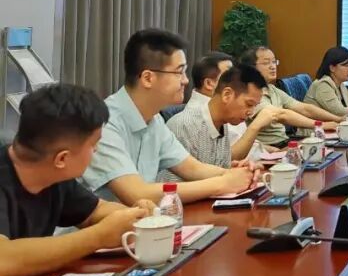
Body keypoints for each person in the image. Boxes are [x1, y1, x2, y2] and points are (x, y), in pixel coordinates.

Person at [80, 29, 260, 204]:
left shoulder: (154, 120)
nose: (185, 80)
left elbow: (192, 168)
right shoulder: (104, 122)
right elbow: (137, 194)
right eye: (179, 72)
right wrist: (221, 184)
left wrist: (234, 173)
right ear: (148, 78)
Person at [0, 84, 156, 276]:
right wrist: (98, 237)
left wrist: (134, 215)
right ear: (62, 159)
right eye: (93, 144)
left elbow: (95, 211)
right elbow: (3, 260)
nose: (96, 150)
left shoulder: (53, 175)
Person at [168, 64, 283, 168]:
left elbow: (219, 169)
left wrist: (238, 170)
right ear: (227, 95)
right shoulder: (185, 125)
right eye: (249, 104)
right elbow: (173, 183)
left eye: (254, 106)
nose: (251, 112)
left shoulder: (222, 124)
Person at [239, 46, 340, 147]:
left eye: (274, 62)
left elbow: (304, 108)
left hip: (285, 141)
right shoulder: (250, 94)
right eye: (266, 63)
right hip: (268, 147)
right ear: (251, 68)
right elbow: (281, 115)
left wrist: (337, 119)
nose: (273, 66)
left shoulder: (272, 88)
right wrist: (320, 125)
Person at [185, 52, 245, 143]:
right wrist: (255, 127)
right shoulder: (197, 118)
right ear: (209, 83)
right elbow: (228, 151)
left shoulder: (225, 103)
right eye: (229, 76)